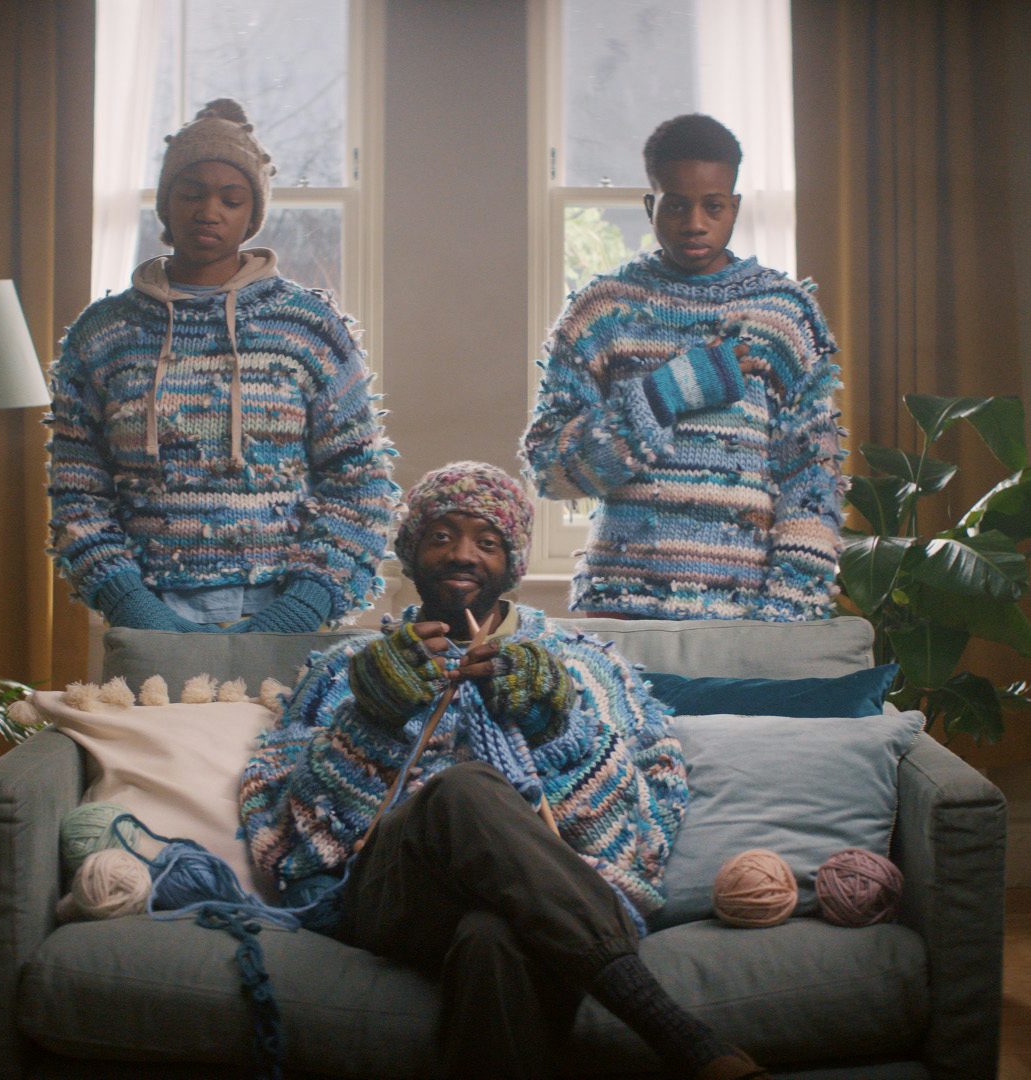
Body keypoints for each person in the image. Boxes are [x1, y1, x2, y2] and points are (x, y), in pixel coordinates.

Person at [240, 461, 771, 1080]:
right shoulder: (347, 667)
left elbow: (639, 829)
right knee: (461, 791)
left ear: (513, 563)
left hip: (541, 898)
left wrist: (554, 724)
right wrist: (371, 719)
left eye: (486, 541)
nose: (462, 554)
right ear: (410, 555)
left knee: (492, 936)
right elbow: (293, 836)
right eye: (441, 536)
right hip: (390, 895)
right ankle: (675, 1032)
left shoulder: (583, 665)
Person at [47, 98, 397, 633]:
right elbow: (78, 495)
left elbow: (360, 487)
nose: (208, 211)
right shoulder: (104, 333)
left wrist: (301, 606)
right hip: (146, 611)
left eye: (231, 199)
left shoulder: (308, 326)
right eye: (191, 193)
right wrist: (130, 603)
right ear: (166, 204)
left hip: (283, 609)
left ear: (252, 215)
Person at [521, 113, 845, 622]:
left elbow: (812, 476)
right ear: (651, 205)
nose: (695, 223)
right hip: (619, 605)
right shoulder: (601, 311)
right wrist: (666, 391)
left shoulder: (784, 314)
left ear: (734, 207)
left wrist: (788, 612)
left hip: (745, 612)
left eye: (713, 206)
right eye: (676, 205)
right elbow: (551, 470)